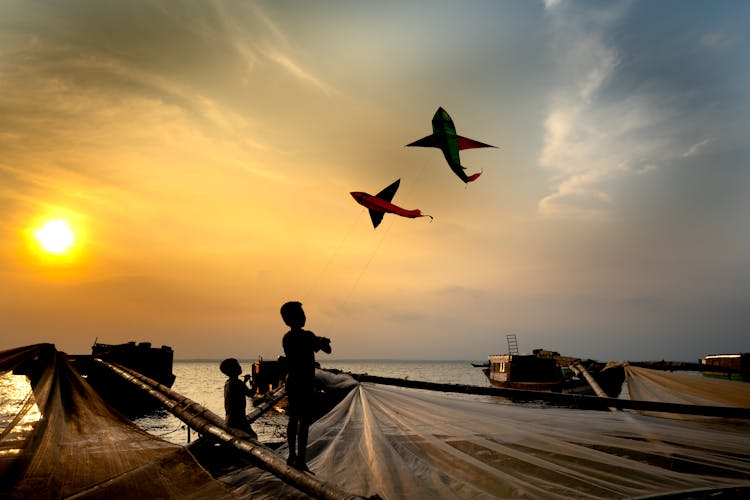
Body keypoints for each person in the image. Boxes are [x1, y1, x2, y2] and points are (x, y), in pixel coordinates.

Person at [280, 301, 331, 473]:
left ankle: (292, 455)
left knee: (293, 419)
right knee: (304, 422)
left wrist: (319, 341)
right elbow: (327, 350)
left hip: (293, 382)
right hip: (305, 383)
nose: (304, 317)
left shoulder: (287, 337)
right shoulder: (307, 336)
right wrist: (323, 341)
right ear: (294, 318)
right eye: (301, 314)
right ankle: (301, 459)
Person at [219, 358, 258, 439]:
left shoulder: (229, 382)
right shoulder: (237, 382)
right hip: (238, 420)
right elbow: (251, 394)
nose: (240, 367)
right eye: (237, 366)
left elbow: (238, 392)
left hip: (230, 419)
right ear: (231, 370)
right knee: (253, 437)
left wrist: (245, 382)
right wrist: (256, 382)